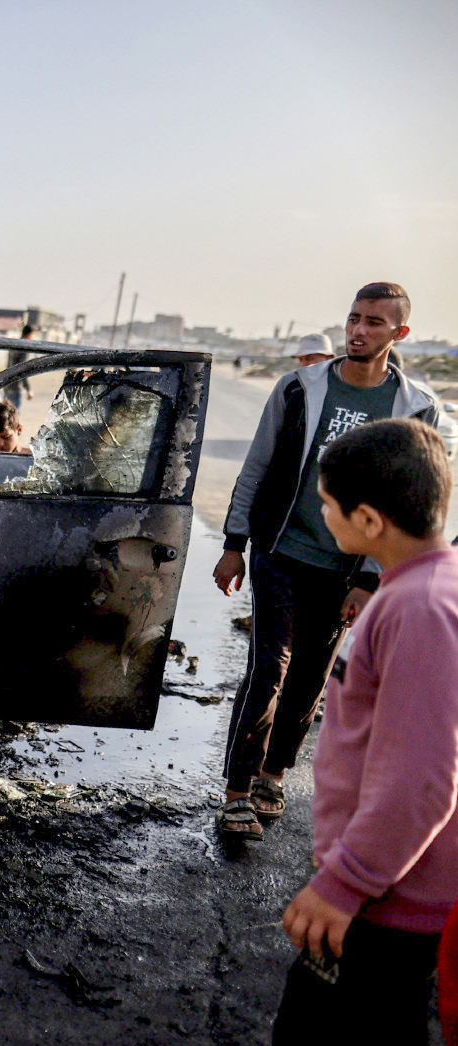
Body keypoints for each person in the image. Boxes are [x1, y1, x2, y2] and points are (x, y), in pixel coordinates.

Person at [214, 282, 439, 840]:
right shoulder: (300, 388)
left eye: (374, 322)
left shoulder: (416, 408)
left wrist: (371, 579)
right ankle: (237, 790)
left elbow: (406, 505)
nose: (358, 330)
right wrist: (234, 543)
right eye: (354, 318)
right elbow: (257, 464)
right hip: (281, 550)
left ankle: (273, 775)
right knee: (268, 669)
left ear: (400, 333)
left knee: (310, 678)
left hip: (345, 569)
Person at [272, 417, 458, 1046]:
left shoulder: (417, 608)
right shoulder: (428, 586)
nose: (323, 515)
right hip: (388, 884)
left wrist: (344, 882)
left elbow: (421, 780)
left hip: (388, 902)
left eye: (328, 505)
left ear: (370, 521)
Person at [4, 325, 37, 408]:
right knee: (14, 412)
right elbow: (22, 370)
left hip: (7, 384)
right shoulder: (24, 348)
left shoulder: (15, 345)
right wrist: (28, 389)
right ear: (29, 334)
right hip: (15, 386)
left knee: (6, 411)